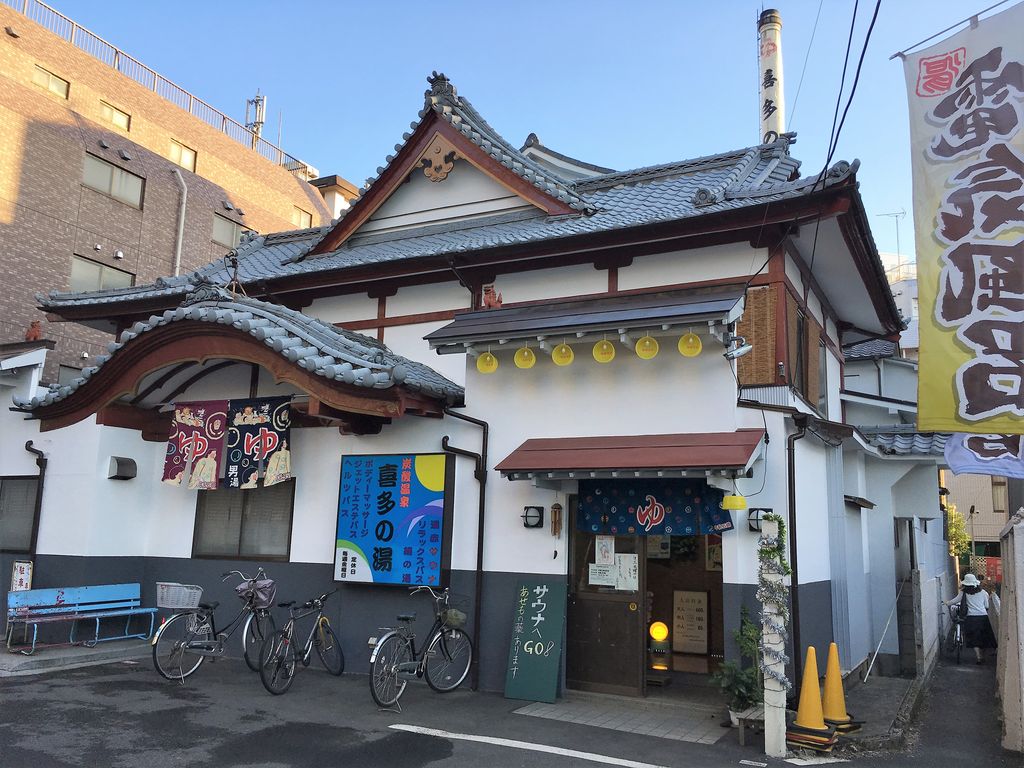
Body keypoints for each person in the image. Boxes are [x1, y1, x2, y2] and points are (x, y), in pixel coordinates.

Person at [945, 573, 997, 663]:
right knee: (984, 638)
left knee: (974, 639)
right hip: (983, 617)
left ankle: (978, 657)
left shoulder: (963, 593)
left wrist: (947, 603)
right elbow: (986, 605)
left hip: (971, 618)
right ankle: (983, 656)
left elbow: (955, 600)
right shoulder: (983, 593)